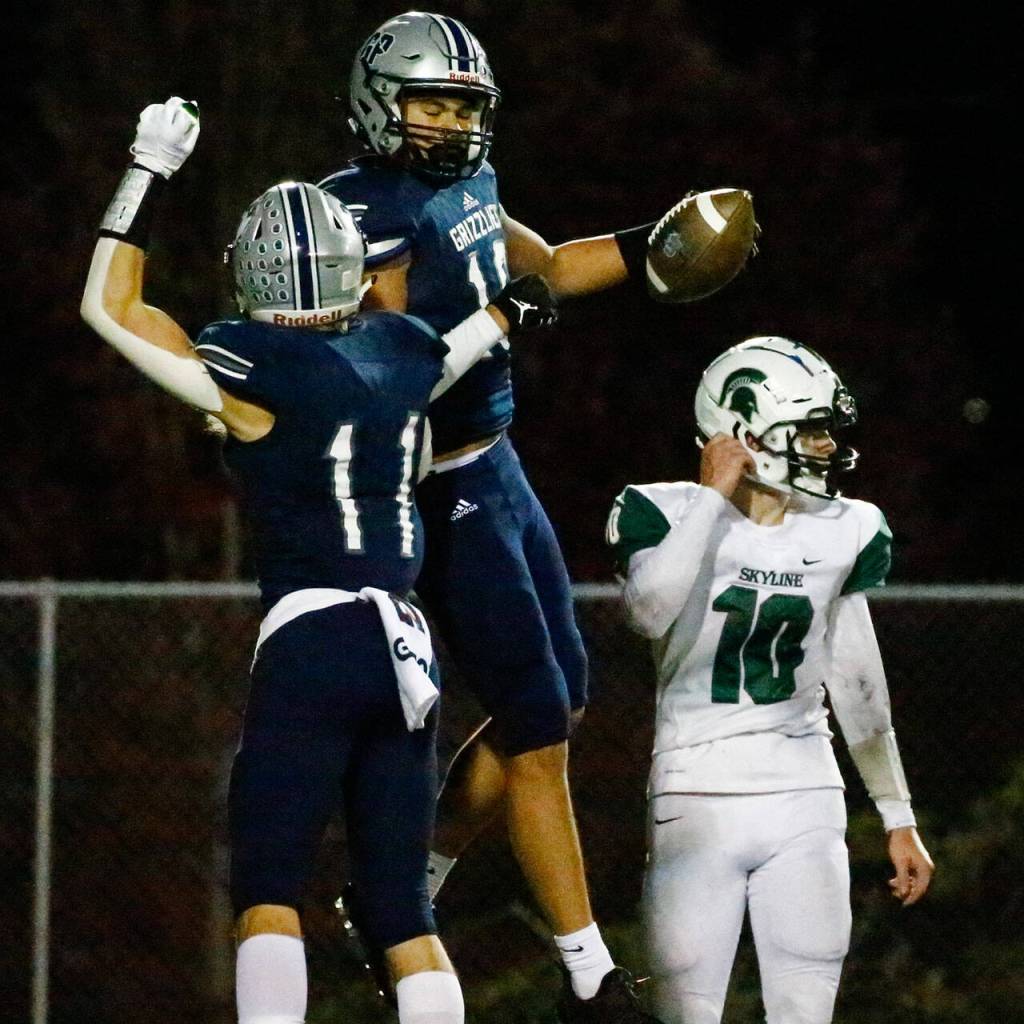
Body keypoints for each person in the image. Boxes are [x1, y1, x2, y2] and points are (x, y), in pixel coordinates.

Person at [80, 97, 557, 1024]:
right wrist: (510, 305)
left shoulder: (248, 364)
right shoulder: (403, 347)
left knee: (269, 887)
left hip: (315, 637)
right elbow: (461, 344)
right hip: (406, 649)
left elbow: (111, 305)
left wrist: (146, 170)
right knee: (402, 912)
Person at [321, 13, 692, 1020]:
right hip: (437, 485)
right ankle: (587, 971)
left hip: (502, 465)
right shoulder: (361, 209)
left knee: (559, 694)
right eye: (430, 103)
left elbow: (546, 266)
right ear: (379, 102)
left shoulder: (465, 186)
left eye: (463, 106)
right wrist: (489, 326)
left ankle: (401, 891)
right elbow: (395, 368)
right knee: (535, 719)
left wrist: (652, 246)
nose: (449, 124)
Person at [605, 336, 935, 1024]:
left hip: (805, 795)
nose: (824, 447)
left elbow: (858, 684)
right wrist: (711, 498)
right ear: (744, 430)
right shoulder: (663, 510)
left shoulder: (846, 528)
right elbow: (649, 608)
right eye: (808, 429)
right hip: (694, 797)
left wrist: (897, 814)